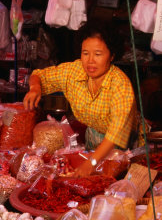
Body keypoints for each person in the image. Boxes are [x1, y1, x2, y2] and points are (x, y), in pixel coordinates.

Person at [23, 19, 143, 177]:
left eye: (98, 54)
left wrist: (91, 163)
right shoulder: (74, 71)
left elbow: (115, 134)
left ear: (112, 55)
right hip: (93, 141)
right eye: (85, 53)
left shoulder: (120, 85)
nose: (90, 60)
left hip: (125, 144)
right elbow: (39, 74)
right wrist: (35, 88)